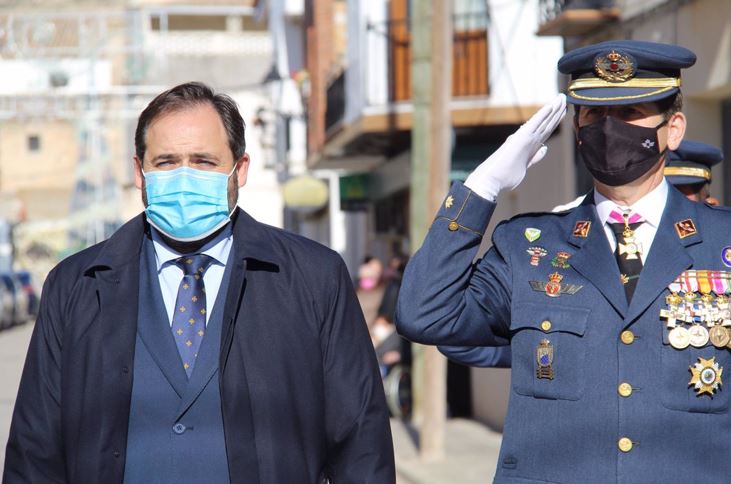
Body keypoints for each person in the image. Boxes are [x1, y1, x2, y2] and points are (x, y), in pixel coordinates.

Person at [4, 82, 395, 483]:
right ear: (140, 171)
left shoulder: (313, 278)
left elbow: (360, 440)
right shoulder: (75, 286)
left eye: (204, 161)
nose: (184, 178)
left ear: (239, 169)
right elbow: (35, 450)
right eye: (167, 162)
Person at [397, 40, 731, 482]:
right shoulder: (528, 246)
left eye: (630, 114)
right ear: (577, 129)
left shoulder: (722, 241)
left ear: (673, 130)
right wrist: (480, 188)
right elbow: (425, 315)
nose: (610, 130)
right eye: (594, 116)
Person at [439, 139, 725, 369]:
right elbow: (453, 334)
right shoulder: (579, 257)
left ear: (707, 205)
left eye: (675, 197)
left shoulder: (719, 252)